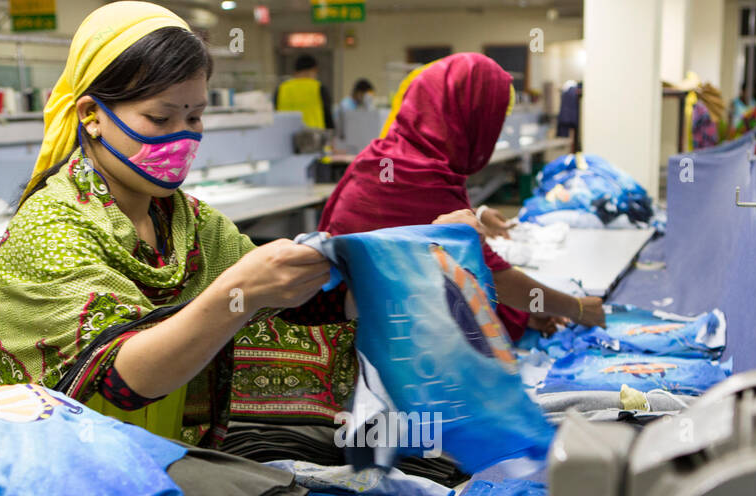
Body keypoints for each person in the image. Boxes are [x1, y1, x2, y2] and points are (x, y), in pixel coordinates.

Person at [0, 1, 338, 447]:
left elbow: (295, 303)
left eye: (193, 117)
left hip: (159, 466)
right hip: (63, 476)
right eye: (160, 118)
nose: (183, 135)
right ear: (91, 115)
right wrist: (239, 294)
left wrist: (407, 256)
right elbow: (125, 379)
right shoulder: (49, 230)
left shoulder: (183, 219)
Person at [231, 53, 605, 428]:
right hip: (366, 358)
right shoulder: (414, 173)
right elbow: (494, 277)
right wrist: (578, 308)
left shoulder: (396, 156)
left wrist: (526, 302)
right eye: (494, 118)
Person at [275, 54, 334, 130]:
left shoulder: (281, 89)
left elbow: (275, 113)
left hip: (285, 135)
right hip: (313, 136)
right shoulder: (319, 87)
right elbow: (327, 115)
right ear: (314, 69)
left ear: (295, 71)